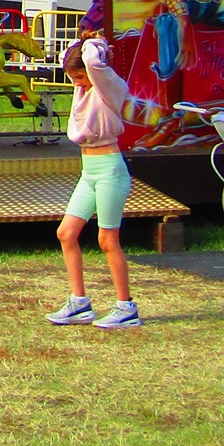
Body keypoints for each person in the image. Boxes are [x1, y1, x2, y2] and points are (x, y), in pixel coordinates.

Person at [47, 37, 140, 329]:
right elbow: (71, 56)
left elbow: (92, 60)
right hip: (89, 170)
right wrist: (81, 40)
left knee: (107, 240)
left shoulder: (107, 86)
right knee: (66, 233)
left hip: (110, 169)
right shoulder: (82, 87)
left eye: (79, 77)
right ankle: (79, 303)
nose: (77, 83)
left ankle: (126, 308)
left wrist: (94, 41)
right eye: (72, 78)